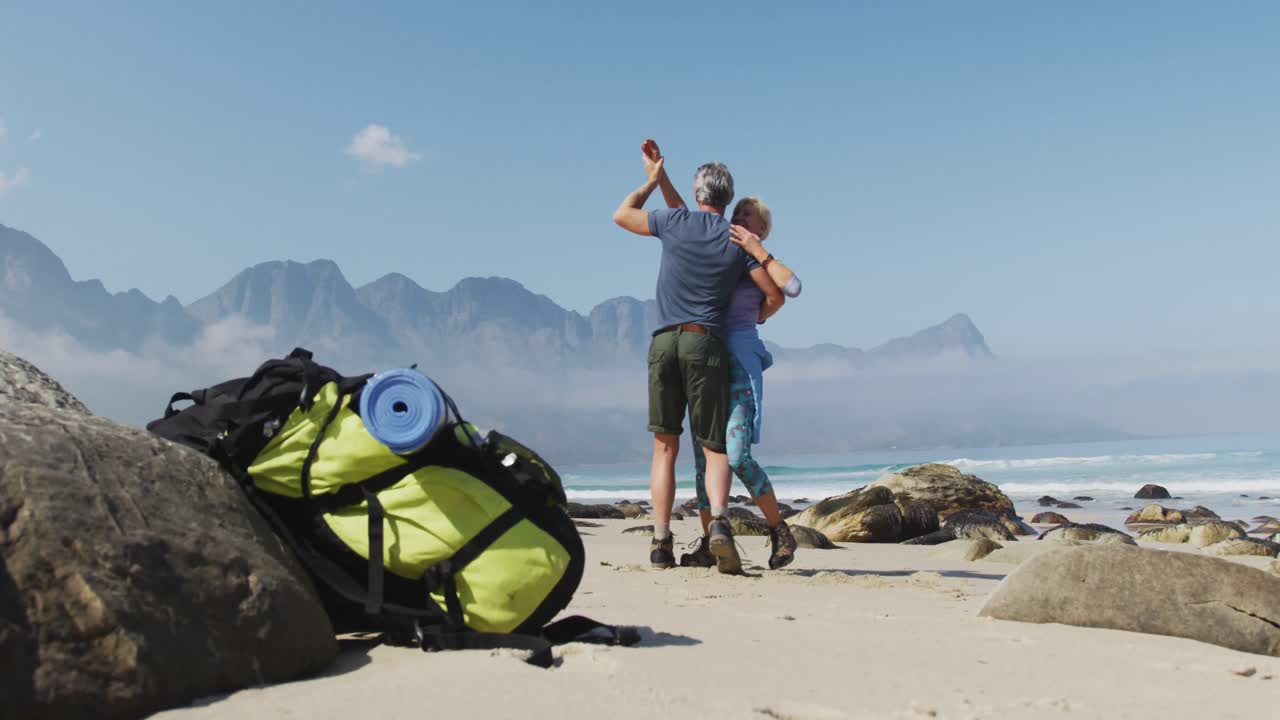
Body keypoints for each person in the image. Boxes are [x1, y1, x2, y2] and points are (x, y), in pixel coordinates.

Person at [613, 141, 783, 574]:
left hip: (663, 343)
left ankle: (660, 543)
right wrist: (758, 317)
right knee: (714, 448)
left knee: (664, 448)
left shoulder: (675, 222)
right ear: (729, 198)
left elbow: (623, 214)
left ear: (697, 192)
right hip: (704, 344)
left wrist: (651, 181)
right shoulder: (736, 240)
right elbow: (774, 292)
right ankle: (720, 523)